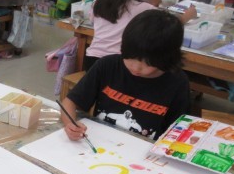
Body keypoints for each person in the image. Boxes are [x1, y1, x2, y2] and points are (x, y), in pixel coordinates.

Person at [61, 10, 191, 141]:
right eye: (130, 57)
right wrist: (71, 124)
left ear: (166, 59)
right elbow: (70, 102)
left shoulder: (177, 83)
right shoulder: (107, 65)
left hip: (144, 148)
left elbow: (179, 130)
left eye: (147, 64)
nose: (135, 67)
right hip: (101, 142)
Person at [84, 0, 195, 71]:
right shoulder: (144, 9)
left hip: (92, 62)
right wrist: (186, 16)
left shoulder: (97, 3)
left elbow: (95, 22)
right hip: (121, 65)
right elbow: (168, 25)